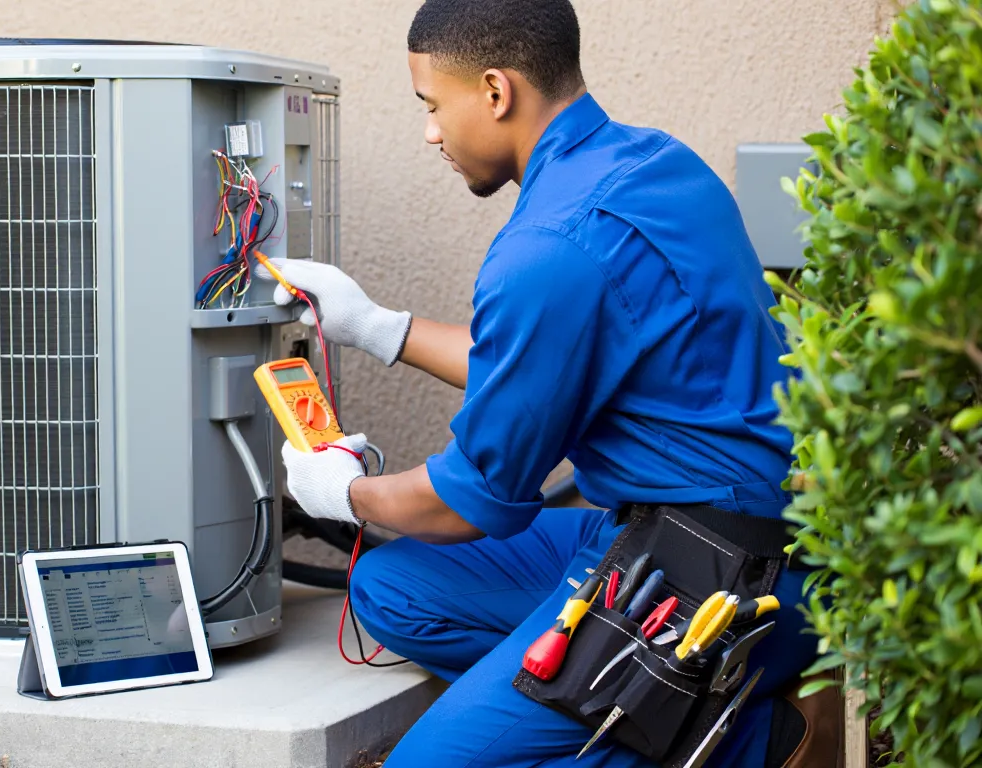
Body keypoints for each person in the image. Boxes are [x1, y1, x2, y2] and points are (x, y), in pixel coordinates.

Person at [258, 0, 827, 766]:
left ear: (495, 91)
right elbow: (544, 365)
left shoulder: (552, 246)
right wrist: (378, 326)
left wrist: (343, 493)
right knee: (389, 589)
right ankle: (623, 704)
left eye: (432, 105)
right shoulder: (655, 162)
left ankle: (748, 739)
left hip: (718, 579)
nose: (430, 132)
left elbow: (468, 502)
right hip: (715, 537)